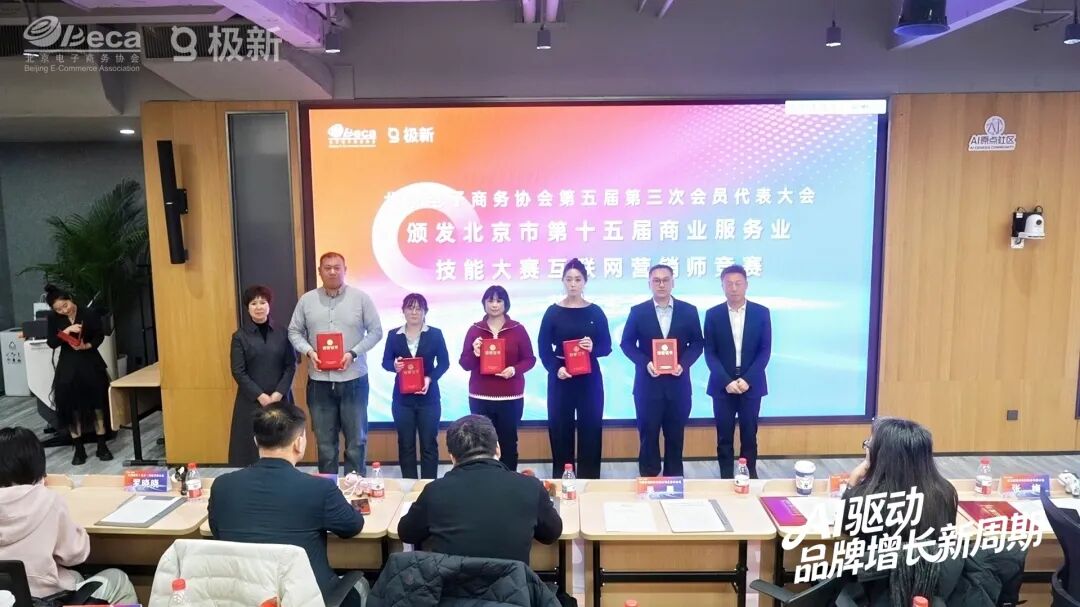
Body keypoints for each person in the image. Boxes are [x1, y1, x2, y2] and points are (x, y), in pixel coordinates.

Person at [841, 418, 1026, 607]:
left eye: (869, 445)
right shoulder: (944, 493)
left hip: (877, 593)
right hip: (935, 591)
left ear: (880, 455)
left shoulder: (864, 500)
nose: (866, 449)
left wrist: (854, 479)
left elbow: (845, 527)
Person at [209, 403, 366, 607]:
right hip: (306, 598)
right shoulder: (319, 489)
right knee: (362, 585)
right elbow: (352, 526)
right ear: (299, 443)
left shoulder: (222, 485)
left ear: (256, 441)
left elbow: (217, 531)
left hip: (242, 598)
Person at [398, 415, 562, 564]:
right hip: (513, 587)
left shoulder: (434, 491)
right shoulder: (530, 487)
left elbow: (407, 533)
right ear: (498, 448)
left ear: (452, 457)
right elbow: (551, 534)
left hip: (453, 587)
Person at [0, 427, 137, 603]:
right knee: (118, 579)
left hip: (8, 600)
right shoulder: (46, 500)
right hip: (47, 601)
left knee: (74, 577)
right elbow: (74, 554)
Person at [288, 252, 383, 475]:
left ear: (345, 270)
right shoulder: (307, 300)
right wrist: (309, 351)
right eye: (327, 268)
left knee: (356, 441)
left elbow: (376, 331)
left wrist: (353, 353)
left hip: (354, 380)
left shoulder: (361, 298)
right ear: (320, 271)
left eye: (337, 267)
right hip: (319, 382)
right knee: (324, 443)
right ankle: (328, 487)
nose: (332, 271)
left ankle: (356, 486)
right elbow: (294, 331)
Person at [619, 264, 703, 477]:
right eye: (656, 280)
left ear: (673, 282)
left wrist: (683, 363)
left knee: (675, 437)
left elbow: (697, 343)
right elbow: (626, 343)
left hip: (678, 387)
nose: (661, 284)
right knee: (648, 437)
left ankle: (673, 480)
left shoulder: (689, 311)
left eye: (666, 280)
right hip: (648, 387)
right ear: (649, 283)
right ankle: (649, 479)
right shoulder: (638, 312)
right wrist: (645, 362)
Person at [537, 258, 612, 479]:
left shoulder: (595, 312)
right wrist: (555, 368)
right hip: (562, 377)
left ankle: (590, 481)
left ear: (584, 282)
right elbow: (543, 348)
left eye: (578, 279)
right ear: (563, 281)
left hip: (589, 378)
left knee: (591, 429)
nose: (573, 284)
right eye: (569, 279)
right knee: (560, 430)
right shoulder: (553, 312)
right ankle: (563, 482)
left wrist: (593, 347)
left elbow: (607, 346)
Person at [703, 264, 772, 479]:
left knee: (749, 434)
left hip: (752, 384)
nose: (733, 288)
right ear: (722, 286)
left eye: (738, 283)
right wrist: (726, 381)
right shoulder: (713, 314)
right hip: (722, 385)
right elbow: (710, 352)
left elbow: (765, 350)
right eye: (729, 284)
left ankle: (749, 476)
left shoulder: (761, 313)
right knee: (724, 436)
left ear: (746, 285)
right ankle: (725, 478)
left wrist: (748, 379)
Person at [458, 285, 536, 472]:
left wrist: (514, 370)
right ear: (484, 303)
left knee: (508, 442)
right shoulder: (475, 330)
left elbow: (530, 359)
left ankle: (508, 481)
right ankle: (484, 480)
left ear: (505, 304)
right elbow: (465, 363)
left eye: (499, 300)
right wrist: (475, 353)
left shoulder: (518, 329)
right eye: (490, 300)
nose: (494, 305)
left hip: (510, 397)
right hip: (480, 397)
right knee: (480, 445)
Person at [380, 293, 450, 479]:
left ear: (425, 311)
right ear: (403, 310)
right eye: (410, 308)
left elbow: (444, 363)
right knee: (406, 444)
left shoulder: (435, 334)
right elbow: (385, 362)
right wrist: (394, 366)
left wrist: (429, 378)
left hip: (429, 398)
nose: (414, 312)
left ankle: (428, 485)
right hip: (402, 400)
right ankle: (409, 485)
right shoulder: (394, 335)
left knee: (429, 444)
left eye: (419, 308)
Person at [229, 284, 298, 467]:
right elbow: (238, 371)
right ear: (248, 308)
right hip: (251, 401)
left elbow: (290, 366)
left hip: (280, 398)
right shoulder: (240, 336)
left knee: (283, 443)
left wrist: (278, 394)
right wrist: (261, 396)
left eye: (263, 302)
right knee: (250, 449)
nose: (258, 307)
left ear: (269, 305)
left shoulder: (282, 333)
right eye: (254, 303)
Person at [44, 284, 113, 465]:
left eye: (65, 305)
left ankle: (102, 445)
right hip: (68, 365)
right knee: (71, 408)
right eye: (58, 309)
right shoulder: (53, 318)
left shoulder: (88, 313)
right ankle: (79, 449)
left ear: (70, 299)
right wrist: (65, 332)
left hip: (90, 362)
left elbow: (99, 335)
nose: (63, 311)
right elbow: (51, 343)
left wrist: (87, 346)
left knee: (98, 405)